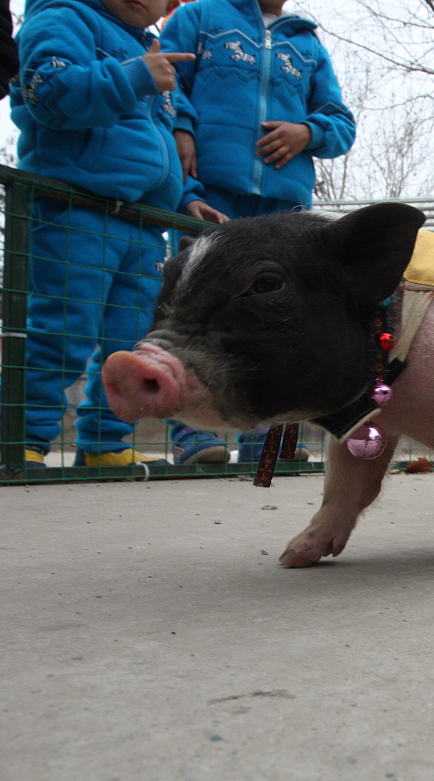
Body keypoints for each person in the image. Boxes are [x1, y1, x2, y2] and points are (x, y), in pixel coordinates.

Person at [11, 0, 226, 469]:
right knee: (63, 329)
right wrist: (132, 77)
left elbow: (160, 139)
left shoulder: (151, 47)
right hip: (78, 207)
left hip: (146, 222)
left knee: (131, 343)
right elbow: (46, 91)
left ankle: (104, 442)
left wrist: (186, 196)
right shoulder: (63, 18)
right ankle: (21, 437)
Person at [160, 0, 356, 463]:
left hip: (282, 209)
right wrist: (183, 134)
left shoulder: (307, 42)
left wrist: (307, 133)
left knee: (277, 324)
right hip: (208, 196)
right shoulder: (197, 17)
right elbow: (166, 86)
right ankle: (194, 439)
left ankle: (270, 446)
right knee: (192, 316)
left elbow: (341, 123)